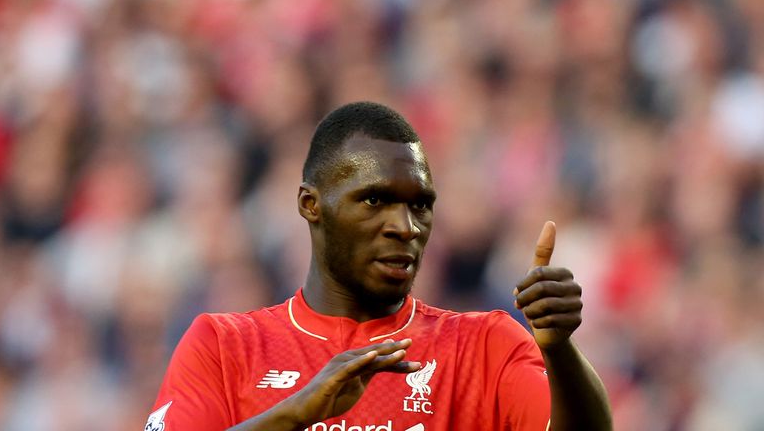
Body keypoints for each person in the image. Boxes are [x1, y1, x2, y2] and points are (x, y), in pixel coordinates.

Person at [145, 102, 612, 431]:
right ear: (312, 205)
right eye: (375, 200)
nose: (405, 227)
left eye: (421, 206)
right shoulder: (224, 348)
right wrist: (299, 412)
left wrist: (561, 352)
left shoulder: (484, 346)